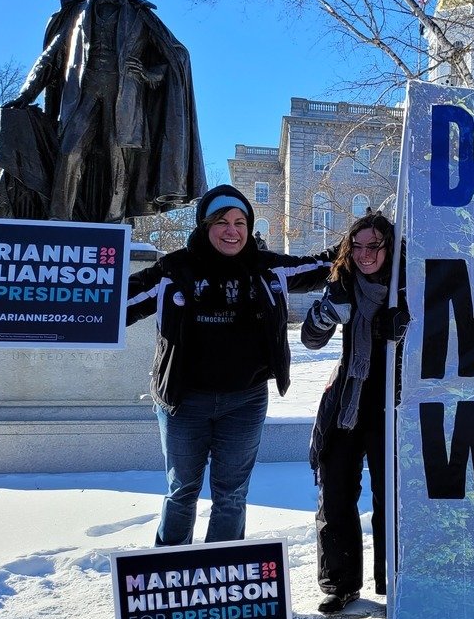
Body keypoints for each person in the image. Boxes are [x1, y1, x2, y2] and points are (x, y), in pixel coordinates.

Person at [126, 184, 331, 547]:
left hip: (245, 402)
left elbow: (327, 265)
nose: (232, 230)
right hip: (183, 402)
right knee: (182, 491)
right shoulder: (173, 270)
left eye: (240, 221)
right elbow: (107, 304)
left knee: (231, 494)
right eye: (221, 221)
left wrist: (377, 239)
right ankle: (170, 575)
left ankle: (221, 582)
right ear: (204, 226)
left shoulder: (268, 269)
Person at [0, 0, 205, 223]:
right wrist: (26, 94)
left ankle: (114, 226)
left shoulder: (141, 15)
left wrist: (149, 74)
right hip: (83, 93)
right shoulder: (76, 13)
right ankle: (58, 221)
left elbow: (177, 56)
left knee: (119, 162)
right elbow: (51, 57)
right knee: (69, 152)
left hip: (125, 100)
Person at [301, 211, 410, 614]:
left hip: (392, 402)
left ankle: (394, 580)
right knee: (335, 491)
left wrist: (407, 326)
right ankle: (340, 583)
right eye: (358, 246)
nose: (365, 254)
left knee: (391, 496)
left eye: (374, 246)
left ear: (389, 247)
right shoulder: (342, 282)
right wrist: (323, 314)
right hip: (347, 401)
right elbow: (311, 341)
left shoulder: (407, 284)